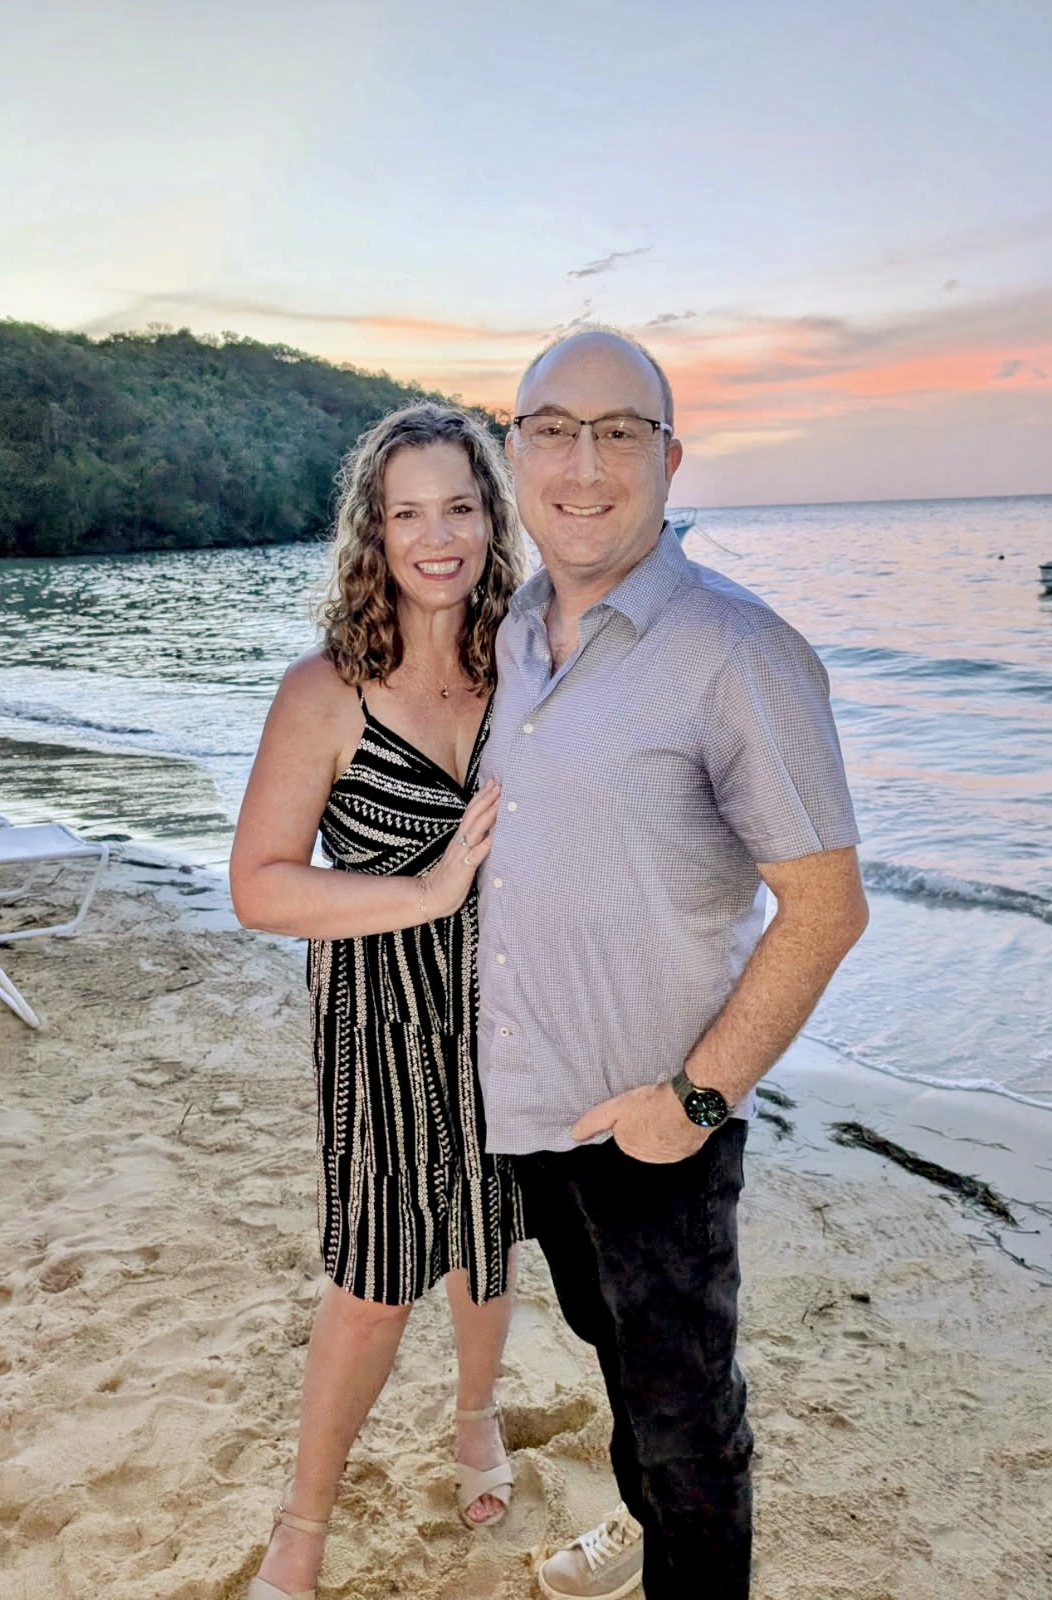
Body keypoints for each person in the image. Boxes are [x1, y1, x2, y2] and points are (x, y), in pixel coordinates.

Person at [475, 329, 869, 1600]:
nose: (584, 465)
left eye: (619, 433)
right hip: (533, 1106)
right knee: (619, 1365)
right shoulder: (508, 633)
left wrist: (694, 1100)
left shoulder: (735, 648)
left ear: (669, 458)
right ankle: (637, 1523)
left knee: (690, 1425)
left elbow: (826, 906)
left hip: (658, 1124)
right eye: (553, 430)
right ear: (515, 452)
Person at [230, 401, 528, 1600]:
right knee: (373, 1279)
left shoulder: (527, 662)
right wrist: (428, 887)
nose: (436, 537)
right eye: (409, 514)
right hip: (380, 1017)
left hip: (510, 1008)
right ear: (375, 532)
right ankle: (301, 1527)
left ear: (491, 517)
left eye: (458, 507)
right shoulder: (325, 690)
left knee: (488, 1238)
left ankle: (475, 1414)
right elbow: (259, 885)